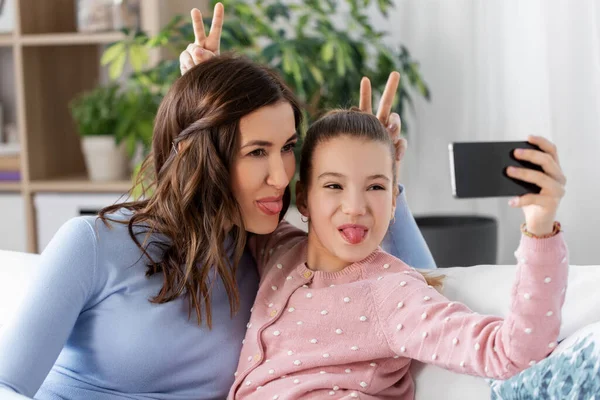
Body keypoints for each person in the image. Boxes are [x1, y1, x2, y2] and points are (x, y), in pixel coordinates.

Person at [0, 22, 434, 400]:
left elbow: (419, 293)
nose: (281, 176)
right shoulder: (95, 244)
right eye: (257, 151)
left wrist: (378, 176)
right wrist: (204, 102)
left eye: (286, 148)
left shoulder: (272, 259)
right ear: (204, 155)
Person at [228, 109, 568, 399]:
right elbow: (218, 196)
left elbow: (511, 354)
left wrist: (540, 227)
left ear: (393, 201)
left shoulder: (392, 294)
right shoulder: (275, 247)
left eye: (375, 187)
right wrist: (205, 99)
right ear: (303, 198)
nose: (355, 207)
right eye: (334, 185)